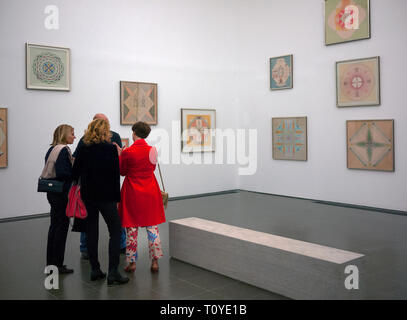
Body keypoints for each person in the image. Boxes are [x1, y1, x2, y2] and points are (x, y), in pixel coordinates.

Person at [72, 119, 129, 286]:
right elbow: (117, 172)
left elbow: (75, 172)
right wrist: (119, 155)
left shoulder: (84, 148)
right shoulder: (111, 149)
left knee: (92, 231)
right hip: (107, 196)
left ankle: (95, 269)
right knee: (115, 231)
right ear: (106, 132)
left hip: (88, 195)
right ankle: (113, 272)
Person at [118, 121, 166, 273]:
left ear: (134, 133)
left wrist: (120, 155)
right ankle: (155, 262)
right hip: (150, 190)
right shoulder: (152, 150)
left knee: (131, 229)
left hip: (133, 191)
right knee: (152, 227)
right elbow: (152, 168)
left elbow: (122, 171)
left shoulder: (128, 152)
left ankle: (132, 263)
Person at [44, 124, 76, 274]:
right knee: (61, 228)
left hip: (52, 193)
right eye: (72, 134)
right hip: (61, 194)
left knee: (54, 227)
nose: (74, 136)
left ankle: (50, 263)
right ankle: (57, 264)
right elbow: (63, 172)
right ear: (64, 135)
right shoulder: (63, 150)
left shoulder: (52, 149)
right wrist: (74, 170)